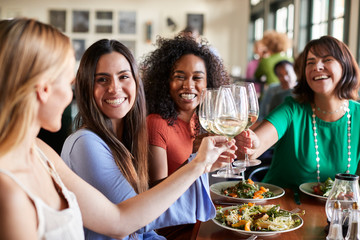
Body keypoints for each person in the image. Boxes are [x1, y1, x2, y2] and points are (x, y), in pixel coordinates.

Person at [0, 18, 236, 239]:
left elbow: (124, 218)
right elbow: (125, 220)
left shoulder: (41, 151)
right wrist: (197, 165)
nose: (69, 93)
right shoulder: (80, 144)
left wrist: (200, 165)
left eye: (124, 76)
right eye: (67, 81)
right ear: (42, 89)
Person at [236, 35, 360, 189]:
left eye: (327, 59)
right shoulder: (292, 109)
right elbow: (254, 148)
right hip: (279, 208)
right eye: (310, 62)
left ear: (345, 66)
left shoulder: (357, 115)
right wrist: (251, 144)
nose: (317, 67)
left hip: (333, 210)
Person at [141, 35, 230, 185]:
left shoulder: (202, 122)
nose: (189, 85)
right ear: (165, 81)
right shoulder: (155, 124)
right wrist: (195, 159)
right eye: (180, 77)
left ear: (209, 83)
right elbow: (154, 190)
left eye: (197, 78)